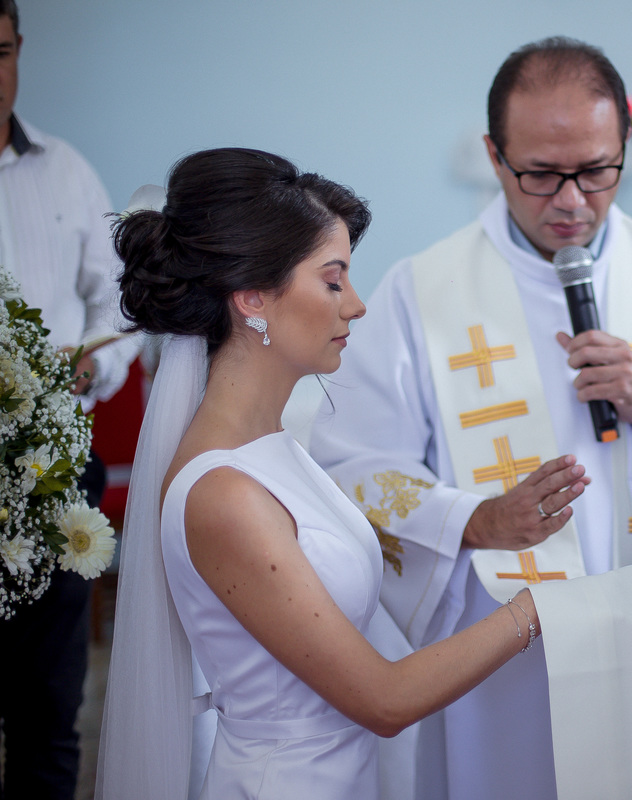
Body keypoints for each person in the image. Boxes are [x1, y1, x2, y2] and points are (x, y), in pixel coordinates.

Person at [308, 36, 632, 800]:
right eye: (539, 174)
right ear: (495, 157)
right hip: (496, 648)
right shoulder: (419, 292)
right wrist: (472, 519)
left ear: (625, 150)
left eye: (596, 172)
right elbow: (351, 467)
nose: (570, 200)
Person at [94, 148, 571, 799]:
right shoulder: (224, 493)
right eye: (333, 279)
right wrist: (540, 608)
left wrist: (482, 524)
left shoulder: (275, 446)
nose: (357, 305)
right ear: (253, 300)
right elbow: (384, 699)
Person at [0, 3, 139, 797]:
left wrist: (90, 367)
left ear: (21, 48)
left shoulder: (65, 170)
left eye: (3, 52)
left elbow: (118, 309)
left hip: (54, 473)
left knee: (49, 710)